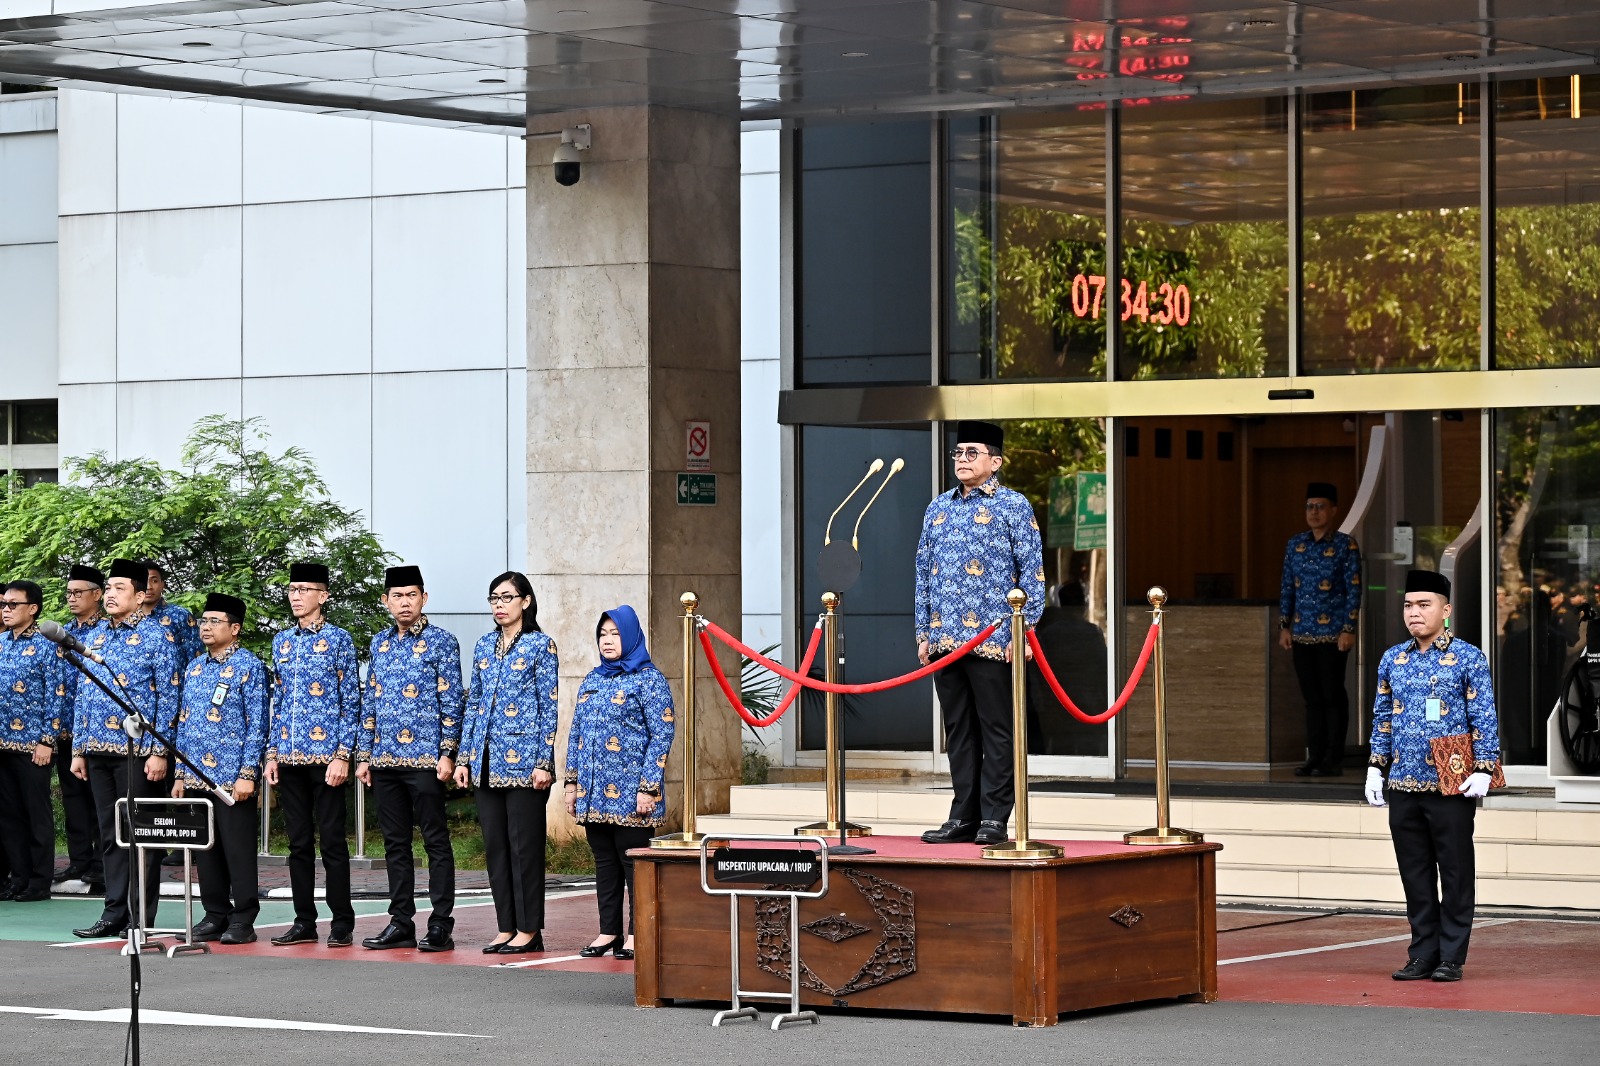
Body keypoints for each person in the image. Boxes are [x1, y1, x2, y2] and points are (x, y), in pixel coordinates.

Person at [1365, 569, 1500, 983]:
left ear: (1446, 610)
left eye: (1424, 605)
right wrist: (1375, 766)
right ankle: (1422, 953)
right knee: (1415, 873)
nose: (1414, 613)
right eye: (1408, 605)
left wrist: (1484, 766)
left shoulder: (1468, 656)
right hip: (1403, 782)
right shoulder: (1393, 659)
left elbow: (1484, 715)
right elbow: (1383, 716)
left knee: (1456, 871)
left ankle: (1452, 956)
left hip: (1451, 781)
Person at [914, 420, 1045, 846]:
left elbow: (1034, 575)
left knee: (997, 729)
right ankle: (962, 817)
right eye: (958, 453)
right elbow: (922, 574)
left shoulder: (1014, 506)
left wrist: (1023, 632)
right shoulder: (938, 508)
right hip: (945, 641)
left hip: (995, 640)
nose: (963, 460)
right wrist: (922, 631)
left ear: (995, 461)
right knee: (959, 732)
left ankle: (994, 817)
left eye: (973, 453)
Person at [67, 559, 182, 940]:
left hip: (137, 751)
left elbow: (169, 696)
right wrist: (79, 749)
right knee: (111, 833)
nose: (112, 594)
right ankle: (113, 911)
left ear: (138, 594)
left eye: (119, 588)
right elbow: (84, 694)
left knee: (141, 834)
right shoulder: (97, 636)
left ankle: (139, 917)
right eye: (109, 587)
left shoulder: (156, 636)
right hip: (97, 750)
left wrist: (160, 752)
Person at [356, 565, 462, 952]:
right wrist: (364, 755)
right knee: (395, 845)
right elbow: (370, 701)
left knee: (435, 841)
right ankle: (401, 922)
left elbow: (452, 700)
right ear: (386, 602)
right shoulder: (379, 644)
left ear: (424, 599)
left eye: (412, 595)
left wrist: (448, 752)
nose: (405, 602)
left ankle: (440, 925)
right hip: (384, 762)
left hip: (426, 761)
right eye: (397, 596)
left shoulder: (442, 642)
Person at [455, 572, 558, 954]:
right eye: (494, 598)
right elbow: (474, 704)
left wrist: (543, 762)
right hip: (484, 762)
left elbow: (549, 706)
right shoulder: (484, 646)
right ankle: (506, 926)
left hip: (525, 765)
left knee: (524, 848)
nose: (499, 605)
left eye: (507, 597)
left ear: (525, 602)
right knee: (496, 846)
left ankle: (530, 930)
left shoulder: (540, 646)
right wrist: (465, 757)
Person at [564, 605, 675, 961]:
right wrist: (571, 784)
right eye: (603, 635)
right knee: (604, 863)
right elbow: (577, 733)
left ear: (631, 637)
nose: (608, 641)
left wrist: (649, 787)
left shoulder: (649, 679)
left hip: (632, 794)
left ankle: (635, 932)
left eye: (615, 634)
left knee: (633, 865)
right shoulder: (593, 679)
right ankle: (608, 931)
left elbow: (662, 734)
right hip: (594, 794)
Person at [265, 562, 362, 948]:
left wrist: (343, 755)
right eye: (292, 589)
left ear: (323, 596)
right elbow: (278, 700)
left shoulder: (339, 640)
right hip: (288, 759)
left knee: (333, 842)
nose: (296, 596)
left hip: (326, 760)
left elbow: (350, 700)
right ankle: (304, 920)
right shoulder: (282, 642)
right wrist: (271, 754)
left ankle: (342, 921)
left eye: (304, 589)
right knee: (298, 843)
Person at [171, 593, 269, 945]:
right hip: (196, 775)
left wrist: (248, 774)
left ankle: (243, 918)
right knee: (205, 850)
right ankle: (215, 913)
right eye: (204, 621)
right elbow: (184, 723)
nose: (206, 627)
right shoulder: (195, 668)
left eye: (215, 621)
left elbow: (257, 723)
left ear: (235, 628)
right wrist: (180, 775)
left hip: (231, 777)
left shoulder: (249, 667)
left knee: (237, 849)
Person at [1278, 482, 1363, 777]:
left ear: (1334, 510)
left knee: (1332, 695)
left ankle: (1332, 758)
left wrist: (1349, 628)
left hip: (1333, 635)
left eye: (1320, 506)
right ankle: (1314, 757)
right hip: (1301, 633)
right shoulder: (1296, 545)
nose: (1314, 512)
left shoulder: (1345, 545)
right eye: (1309, 506)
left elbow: (1354, 589)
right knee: (1311, 698)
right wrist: (1284, 626)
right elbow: (1287, 587)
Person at [0, 581, 61, 902]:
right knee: (9, 815)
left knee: (36, 813)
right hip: (2, 745)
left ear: (33, 608)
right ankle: (18, 877)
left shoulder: (47, 645)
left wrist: (47, 740)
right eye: (3, 605)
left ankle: (39, 881)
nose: (6, 610)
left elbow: (56, 696)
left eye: (13, 604)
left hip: (32, 745)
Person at [52, 564, 106, 890]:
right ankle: (79, 861)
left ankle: (101, 865)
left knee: (98, 799)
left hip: (98, 731)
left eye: (78, 593)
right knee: (73, 799)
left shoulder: (105, 633)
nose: (72, 598)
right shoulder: (61, 634)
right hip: (66, 730)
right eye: (68, 593)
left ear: (97, 595)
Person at [143, 561, 202, 668]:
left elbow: (196, 658)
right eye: (143, 580)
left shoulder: (180, 616)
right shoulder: (127, 618)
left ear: (162, 585)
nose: (148, 586)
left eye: (154, 581)